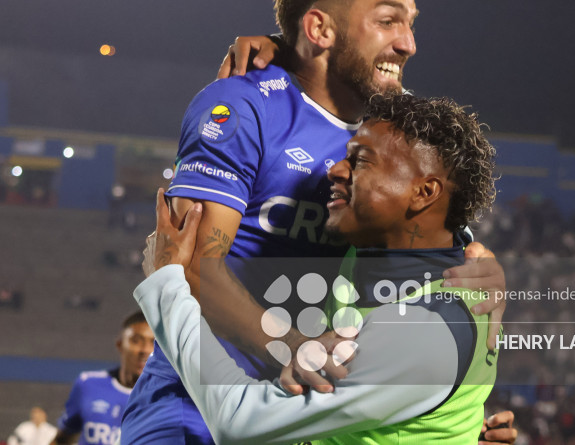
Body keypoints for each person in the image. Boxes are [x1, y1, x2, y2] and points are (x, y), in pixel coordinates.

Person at [121, 0, 509, 445]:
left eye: (411, 23)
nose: (408, 43)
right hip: (198, 401)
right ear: (320, 29)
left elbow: (443, 248)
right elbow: (188, 264)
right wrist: (300, 353)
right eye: (389, 21)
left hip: (312, 409)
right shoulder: (243, 106)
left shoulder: (395, 130)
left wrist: (446, 405)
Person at [135, 92, 517, 444]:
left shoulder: (423, 331)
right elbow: (442, 226)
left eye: (360, 161)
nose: (335, 170)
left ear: (423, 192)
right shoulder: (371, 259)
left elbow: (238, 421)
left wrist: (167, 284)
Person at [52, 311, 154, 445]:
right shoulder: (88, 384)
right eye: (136, 341)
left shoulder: (169, 397)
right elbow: (62, 440)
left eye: (154, 343)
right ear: (120, 345)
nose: (145, 350)